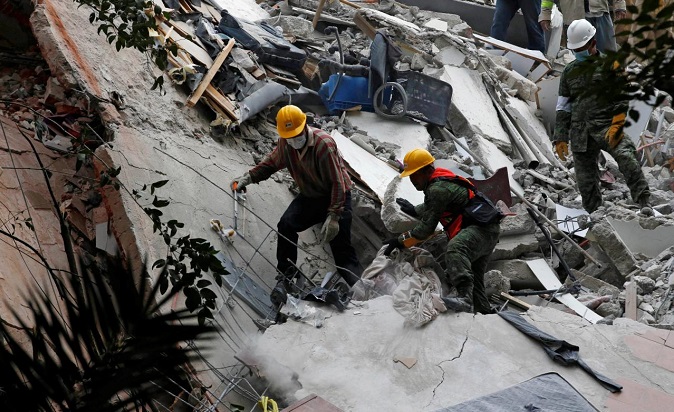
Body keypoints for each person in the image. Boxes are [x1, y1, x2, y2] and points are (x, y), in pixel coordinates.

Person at [231, 105, 362, 289]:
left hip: (336, 197)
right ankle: (286, 275)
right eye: (288, 136)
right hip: (311, 196)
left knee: (342, 251)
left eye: (295, 134)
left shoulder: (323, 144)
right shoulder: (286, 143)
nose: (292, 139)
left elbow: (338, 183)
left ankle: (361, 291)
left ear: (304, 126)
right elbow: (272, 162)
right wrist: (249, 177)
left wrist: (334, 216)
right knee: (286, 224)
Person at [382, 149, 502, 315]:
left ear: (426, 170)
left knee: (456, 249)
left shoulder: (437, 189)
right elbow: (437, 206)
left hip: (481, 230)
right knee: (474, 274)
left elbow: (425, 230)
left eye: (414, 175)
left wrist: (399, 241)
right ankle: (484, 311)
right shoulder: (440, 181)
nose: (412, 180)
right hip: (488, 229)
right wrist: (415, 210)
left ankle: (465, 300)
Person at [552, 19, 651, 214]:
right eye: (575, 49)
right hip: (581, 132)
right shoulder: (569, 72)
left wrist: (618, 123)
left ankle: (644, 202)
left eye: (581, 47)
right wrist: (560, 136)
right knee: (586, 181)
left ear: (592, 43)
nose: (577, 52)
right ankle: (595, 215)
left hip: (607, 126)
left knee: (627, 158)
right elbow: (563, 107)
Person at [539, 0, 626, 52]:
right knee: (580, 57)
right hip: (574, 17)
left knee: (609, 52)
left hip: (600, 14)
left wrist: (620, 5)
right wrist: (545, 13)